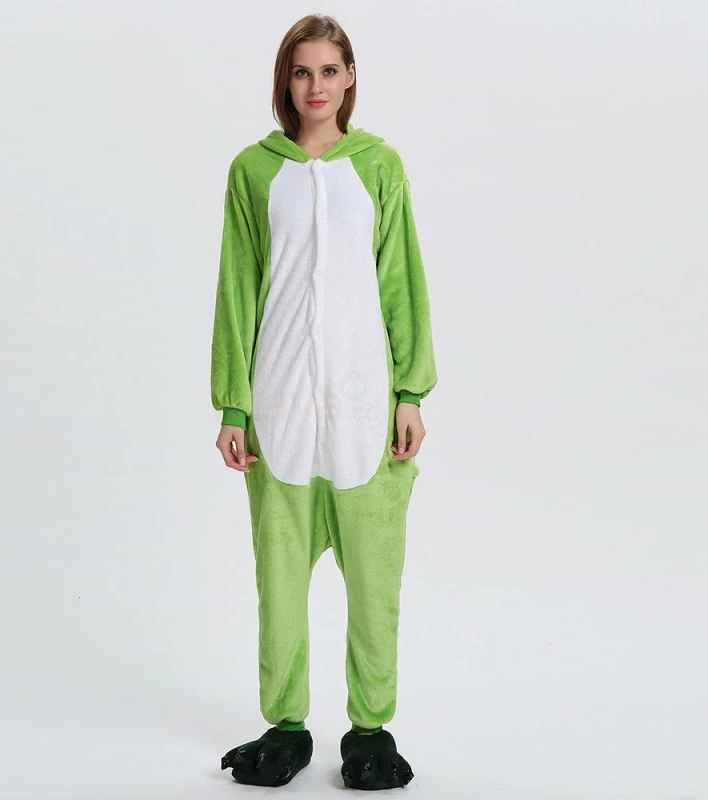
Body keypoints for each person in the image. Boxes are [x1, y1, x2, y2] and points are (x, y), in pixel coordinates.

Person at [210, 13, 437, 790]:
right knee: (279, 580)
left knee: (374, 579)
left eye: (329, 71)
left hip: (364, 405)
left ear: (349, 78)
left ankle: (370, 731)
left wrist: (410, 391)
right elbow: (238, 288)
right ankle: (286, 728)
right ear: (287, 79)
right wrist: (234, 405)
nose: (315, 86)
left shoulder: (378, 165)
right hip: (278, 404)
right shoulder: (253, 171)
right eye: (301, 71)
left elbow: (401, 279)